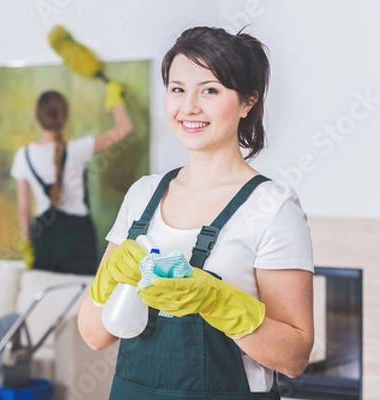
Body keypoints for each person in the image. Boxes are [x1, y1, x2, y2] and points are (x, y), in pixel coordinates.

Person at [78, 26, 314, 399]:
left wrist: (217, 300)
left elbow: (294, 358)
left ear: (248, 102)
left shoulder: (272, 206)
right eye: (177, 89)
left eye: (210, 90)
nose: (189, 106)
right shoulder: (142, 196)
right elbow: (94, 335)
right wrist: (108, 278)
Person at [11, 82, 133, 275]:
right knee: (80, 298)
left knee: (48, 299)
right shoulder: (78, 149)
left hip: (44, 239)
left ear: (38, 118)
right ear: (64, 117)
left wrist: (27, 247)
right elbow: (123, 128)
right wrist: (115, 100)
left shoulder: (23, 156)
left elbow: (24, 211)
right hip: (79, 236)